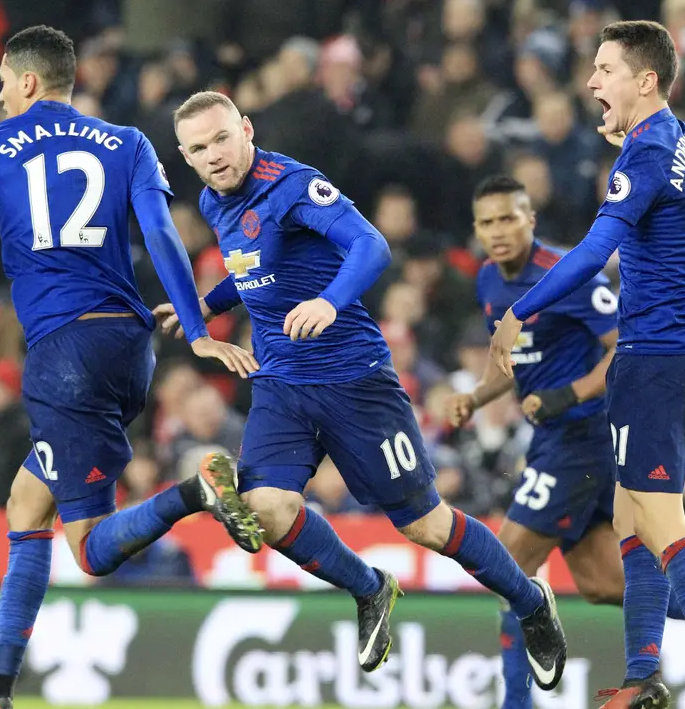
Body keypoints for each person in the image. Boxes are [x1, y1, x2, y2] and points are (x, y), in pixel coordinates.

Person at [0, 26, 261, 709]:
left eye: (3, 80)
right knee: (27, 504)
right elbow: (160, 233)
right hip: (129, 347)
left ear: (28, 82)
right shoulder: (127, 143)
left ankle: (193, 492)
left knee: (87, 550)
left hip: (63, 354)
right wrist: (199, 332)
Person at [156, 91, 567, 688]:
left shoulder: (293, 185)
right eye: (199, 148)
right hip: (281, 384)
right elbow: (254, 274)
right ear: (186, 157)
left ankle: (531, 603)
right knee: (266, 512)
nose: (214, 155)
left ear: (245, 130)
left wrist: (328, 301)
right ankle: (370, 588)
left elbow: (370, 246)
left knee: (425, 525)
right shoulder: (212, 200)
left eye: (222, 138)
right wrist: (203, 305)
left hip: (356, 381)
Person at [487, 21, 685, 709]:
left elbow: (591, 254)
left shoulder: (644, 158)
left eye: (603, 70)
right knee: (628, 519)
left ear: (644, 80)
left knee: (658, 519)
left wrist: (519, 311)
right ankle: (643, 674)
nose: (591, 82)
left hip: (653, 357)